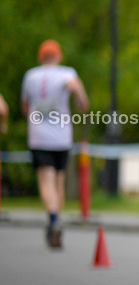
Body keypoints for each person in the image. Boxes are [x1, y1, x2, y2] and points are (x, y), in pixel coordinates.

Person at [21, 40, 90, 248]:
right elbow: (83, 103)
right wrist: (78, 96)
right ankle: (56, 220)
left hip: (39, 136)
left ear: (40, 57)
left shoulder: (30, 76)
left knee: (46, 181)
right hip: (62, 136)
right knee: (59, 181)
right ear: (58, 56)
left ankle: (53, 220)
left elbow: (25, 108)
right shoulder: (66, 73)